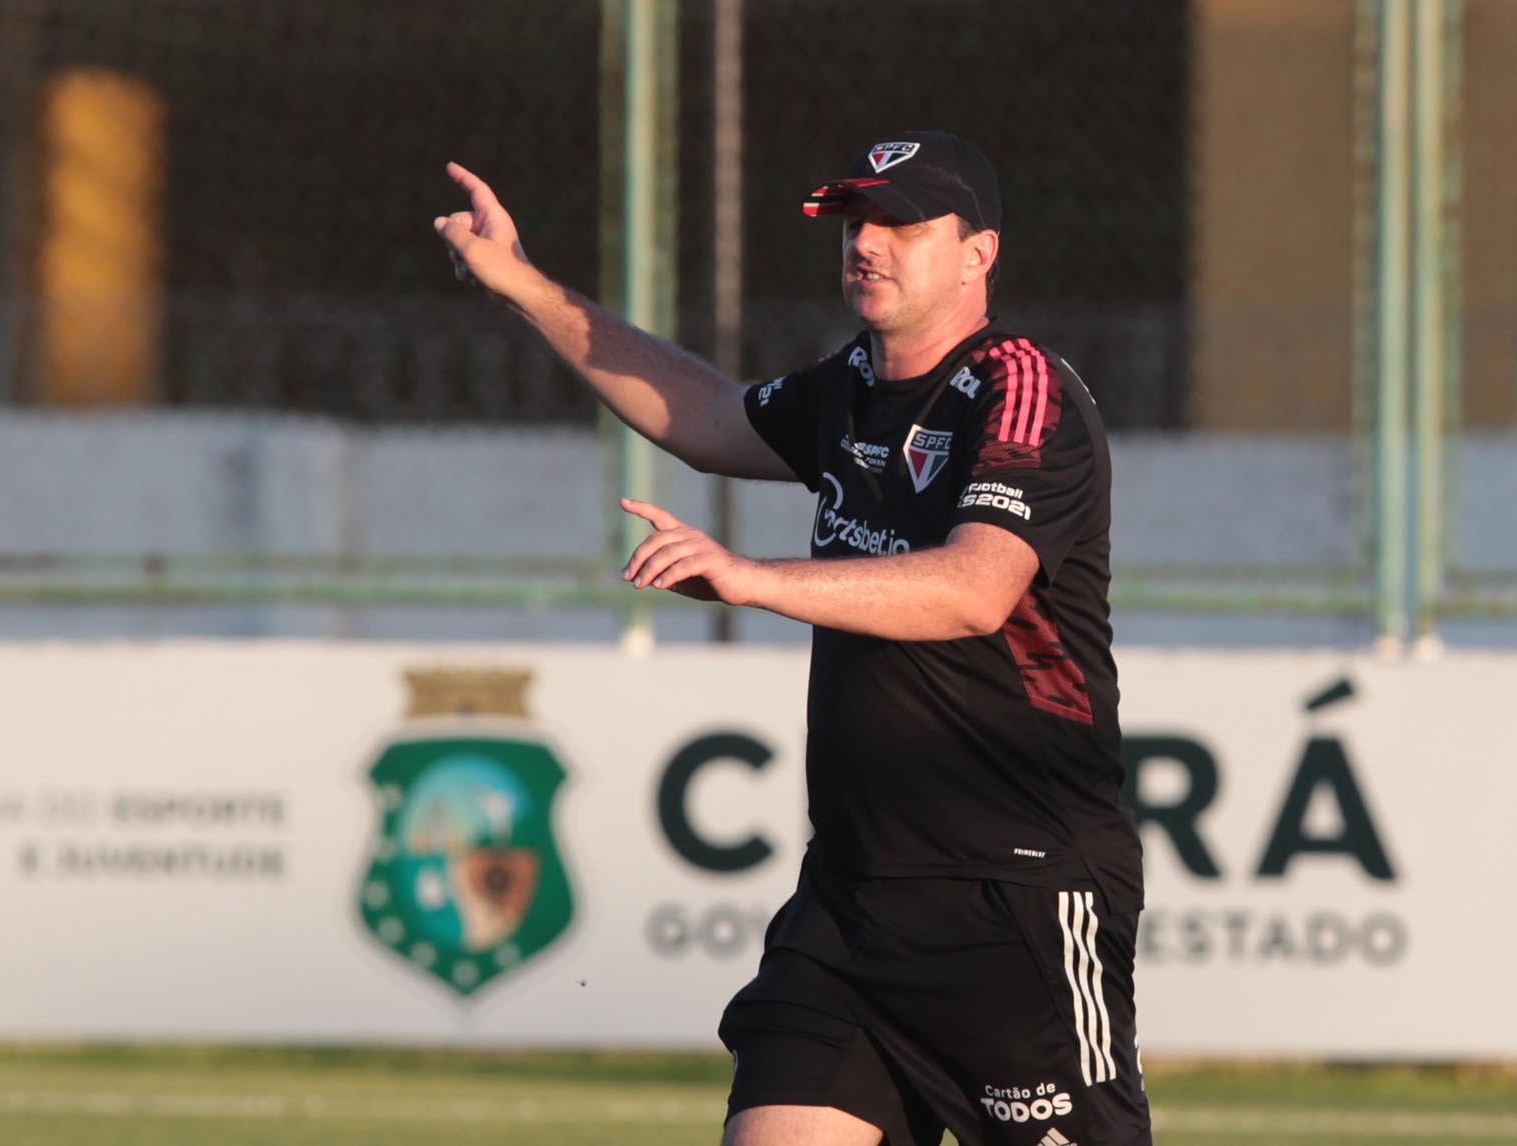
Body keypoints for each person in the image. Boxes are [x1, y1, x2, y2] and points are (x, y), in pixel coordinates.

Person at [435, 129, 1150, 1146]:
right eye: (857, 221)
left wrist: (749, 580)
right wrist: (522, 287)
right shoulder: (850, 384)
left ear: (976, 253)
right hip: (852, 901)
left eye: (902, 224)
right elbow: (710, 413)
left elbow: (974, 590)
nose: (867, 243)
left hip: (1015, 895)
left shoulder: (1017, 390)